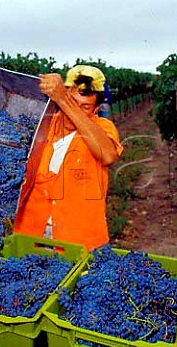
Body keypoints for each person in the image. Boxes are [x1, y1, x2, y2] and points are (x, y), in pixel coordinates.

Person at [13, 65, 124, 251]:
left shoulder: (102, 128)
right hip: (31, 235)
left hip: (78, 240)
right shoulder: (43, 124)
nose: (75, 112)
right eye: (73, 101)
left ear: (96, 109)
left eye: (85, 107)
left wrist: (64, 99)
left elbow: (108, 155)